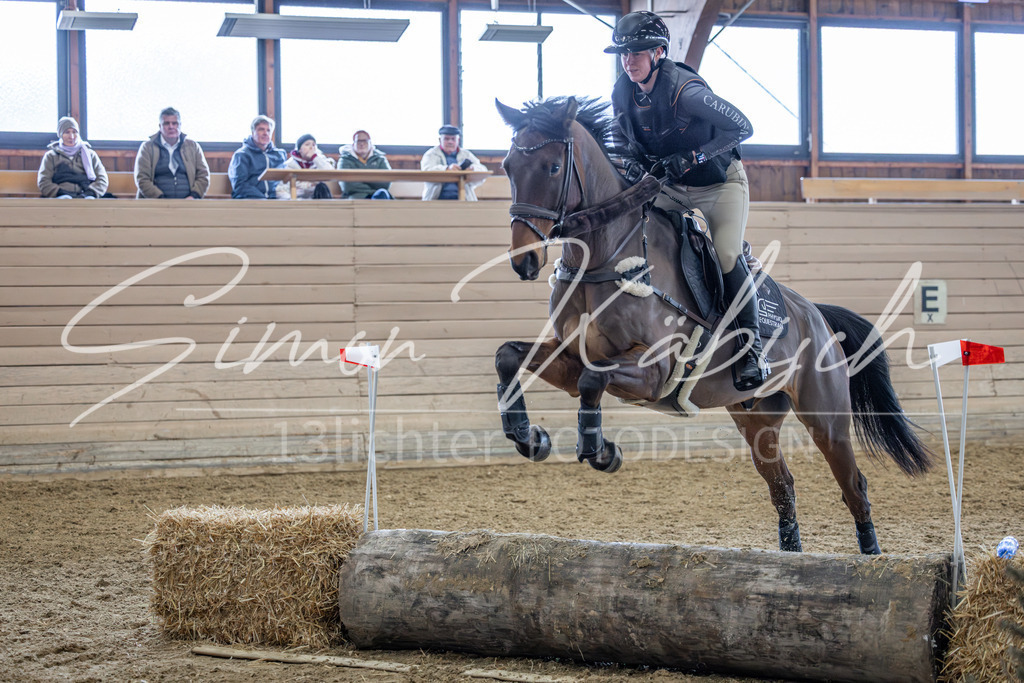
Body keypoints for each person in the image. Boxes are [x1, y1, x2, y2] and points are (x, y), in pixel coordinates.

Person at [605, 11, 766, 391]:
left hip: (720, 185)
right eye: (624, 54)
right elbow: (622, 140)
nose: (628, 61)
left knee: (726, 255)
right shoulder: (622, 92)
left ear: (659, 53)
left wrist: (695, 156)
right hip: (673, 188)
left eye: (637, 53)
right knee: (642, 238)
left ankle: (751, 350)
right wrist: (630, 161)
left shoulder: (686, 91)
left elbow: (743, 127)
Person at [134, 107, 210, 199]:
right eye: (166, 123)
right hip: (155, 202)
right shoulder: (147, 147)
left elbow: (203, 176)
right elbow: (142, 178)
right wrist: (161, 199)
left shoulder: (193, 147)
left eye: (175, 123)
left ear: (180, 125)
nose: (171, 127)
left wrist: (193, 196)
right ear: (160, 126)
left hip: (189, 202)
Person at [37, 116, 109, 199]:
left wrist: (90, 193)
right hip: (60, 196)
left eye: (74, 132)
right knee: (65, 200)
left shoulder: (90, 154)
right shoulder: (51, 156)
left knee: (90, 201)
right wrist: (60, 192)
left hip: (86, 194)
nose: (71, 136)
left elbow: (102, 179)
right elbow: (43, 181)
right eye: (67, 132)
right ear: (60, 134)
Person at [420, 124, 487, 201]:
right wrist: (446, 169)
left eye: (453, 139)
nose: (450, 142)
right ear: (440, 140)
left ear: (458, 140)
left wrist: (473, 169)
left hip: (463, 199)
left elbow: (483, 170)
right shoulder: (431, 154)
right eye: (446, 139)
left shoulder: (466, 154)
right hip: (436, 199)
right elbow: (426, 170)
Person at [228, 115, 287, 199]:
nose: (265, 133)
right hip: (250, 199)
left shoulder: (280, 154)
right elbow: (240, 185)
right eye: (261, 129)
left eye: (268, 130)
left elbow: (284, 181)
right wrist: (263, 200)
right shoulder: (241, 155)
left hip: (276, 199)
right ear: (253, 132)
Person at [275, 133, 336, 200]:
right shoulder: (289, 165)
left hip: (317, 201)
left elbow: (331, 174)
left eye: (313, 145)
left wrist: (315, 158)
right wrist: (293, 201)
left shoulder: (321, 161)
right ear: (299, 149)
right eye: (307, 144)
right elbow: (280, 190)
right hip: (297, 202)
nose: (311, 147)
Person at [338, 130, 393, 199]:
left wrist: (358, 178)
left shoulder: (380, 159)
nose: (362, 144)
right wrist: (373, 181)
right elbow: (347, 186)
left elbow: (386, 183)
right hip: (356, 197)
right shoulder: (345, 159)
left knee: (382, 193)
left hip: (379, 196)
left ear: (370, 143)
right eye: (358, 141)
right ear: (353, 144)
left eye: (365, 141)